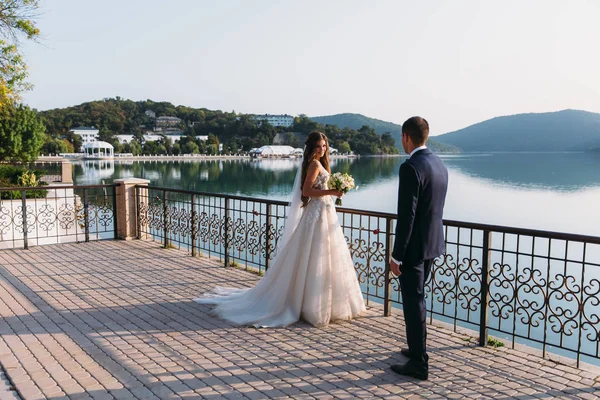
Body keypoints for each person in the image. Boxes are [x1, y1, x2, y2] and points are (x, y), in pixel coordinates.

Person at [195, 131, 366, 327]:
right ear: (311, 147)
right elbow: (307, 191)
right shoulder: (314, 164)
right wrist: (332, 191)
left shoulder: (319, 163)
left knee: (326, 254)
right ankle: (309, 304)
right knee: (315, 253)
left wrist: (333, 191)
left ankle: (324, 303)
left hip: (324, 212)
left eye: (324, 146)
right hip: (317, 213)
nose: (322, 149)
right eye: (318, 146)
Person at [389, 116, 448, 380]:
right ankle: (416, 349)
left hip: (413, 249)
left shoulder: (410, 167)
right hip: (433, 243)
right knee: (419, 299)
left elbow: (407, 216)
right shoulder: (439, 164)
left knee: (413, 303)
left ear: (405, 137)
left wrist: (396, 255)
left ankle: (419, 363)